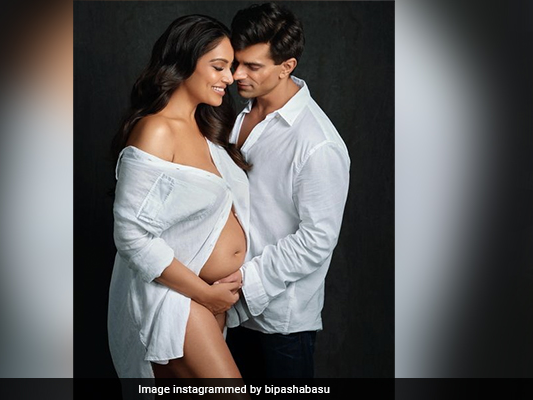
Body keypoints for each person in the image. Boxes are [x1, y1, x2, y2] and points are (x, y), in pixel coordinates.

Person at [107, 14, 252, 382]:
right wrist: (204, 293)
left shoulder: (207, 130)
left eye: (230, 67)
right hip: (175, 301)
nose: (230, 78)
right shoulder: (156, 129)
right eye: (219, 66)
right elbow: (130, 235)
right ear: (185, 62)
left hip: (207, 300)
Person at [219, 3, 351, 378]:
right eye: (235, 62)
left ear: (286, 66)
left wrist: (246, 281)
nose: (236, 74)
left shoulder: (317, 144)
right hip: (225, 310)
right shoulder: (238, 114)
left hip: (280, 325)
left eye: (252, 66)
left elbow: (318, 238)